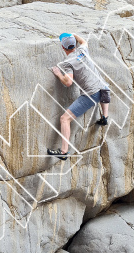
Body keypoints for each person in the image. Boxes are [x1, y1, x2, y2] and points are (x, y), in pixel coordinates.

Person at [47, 33, 110, 161]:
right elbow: (84, 41)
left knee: (65, 119)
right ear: (75, 44)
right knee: (103, 85)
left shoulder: (66, 63)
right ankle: (105, 117)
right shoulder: (83, 50)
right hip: (103, 89)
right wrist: (74, 35)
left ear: (63, 48)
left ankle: (63, 152)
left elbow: (68, 82)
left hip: (91, 94)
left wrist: (58, 74)